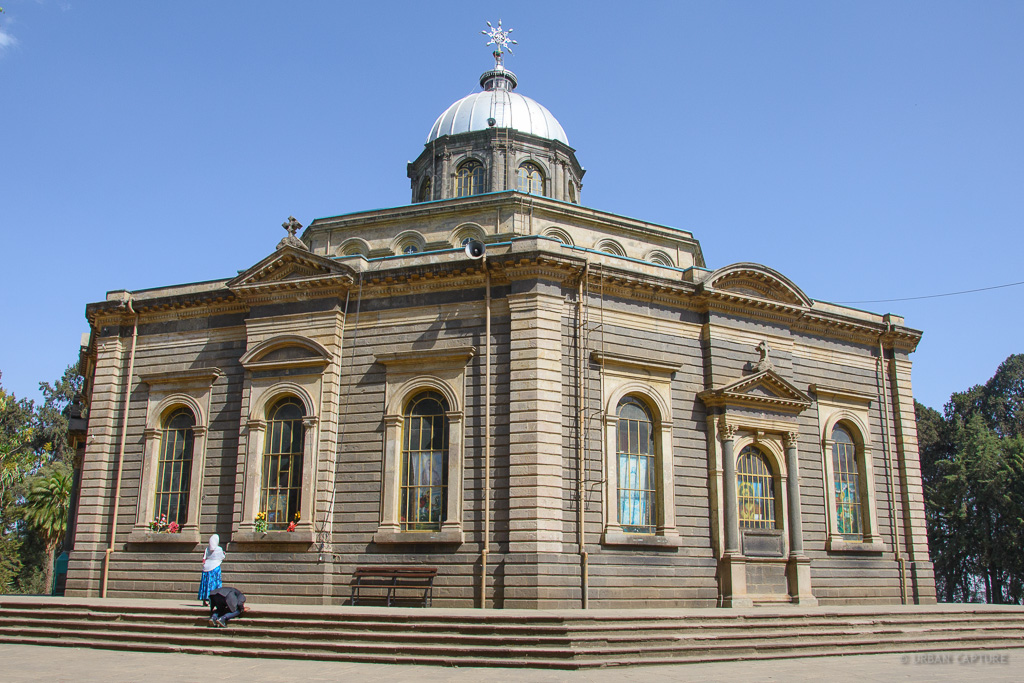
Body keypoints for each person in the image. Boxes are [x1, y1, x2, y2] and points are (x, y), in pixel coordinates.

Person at [197, 534, 225, 606]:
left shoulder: (207, 549)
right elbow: (222, 557)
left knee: (206, 584)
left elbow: (204, 557)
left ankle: (204, 600)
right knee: (214, 584)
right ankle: (213, 600)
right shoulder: (219, 549)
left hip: (206, 568)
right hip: (215, 568)